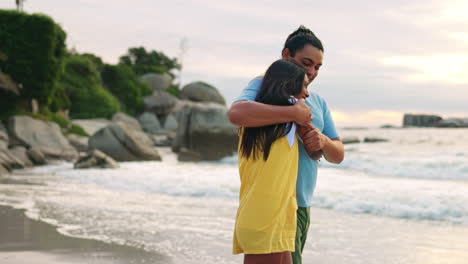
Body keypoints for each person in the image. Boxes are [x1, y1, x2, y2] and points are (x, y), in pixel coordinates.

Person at [229, 25, 344, 264]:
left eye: (318, 67)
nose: (312, 72)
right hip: (270, 208)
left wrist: (321, 140)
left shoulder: (317, 103)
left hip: (298, 206)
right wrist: (293, 114)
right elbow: (237, 113)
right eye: (306, 63)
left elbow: (336, 154)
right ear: (286, 55)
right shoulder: (263, 88)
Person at [233, 59, 310, 264]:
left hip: (271, 217)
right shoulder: (293, 111)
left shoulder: (255, 123)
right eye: (303, 85)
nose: (307, 93)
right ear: (289, 87)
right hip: (267, 219)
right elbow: (303, 112)